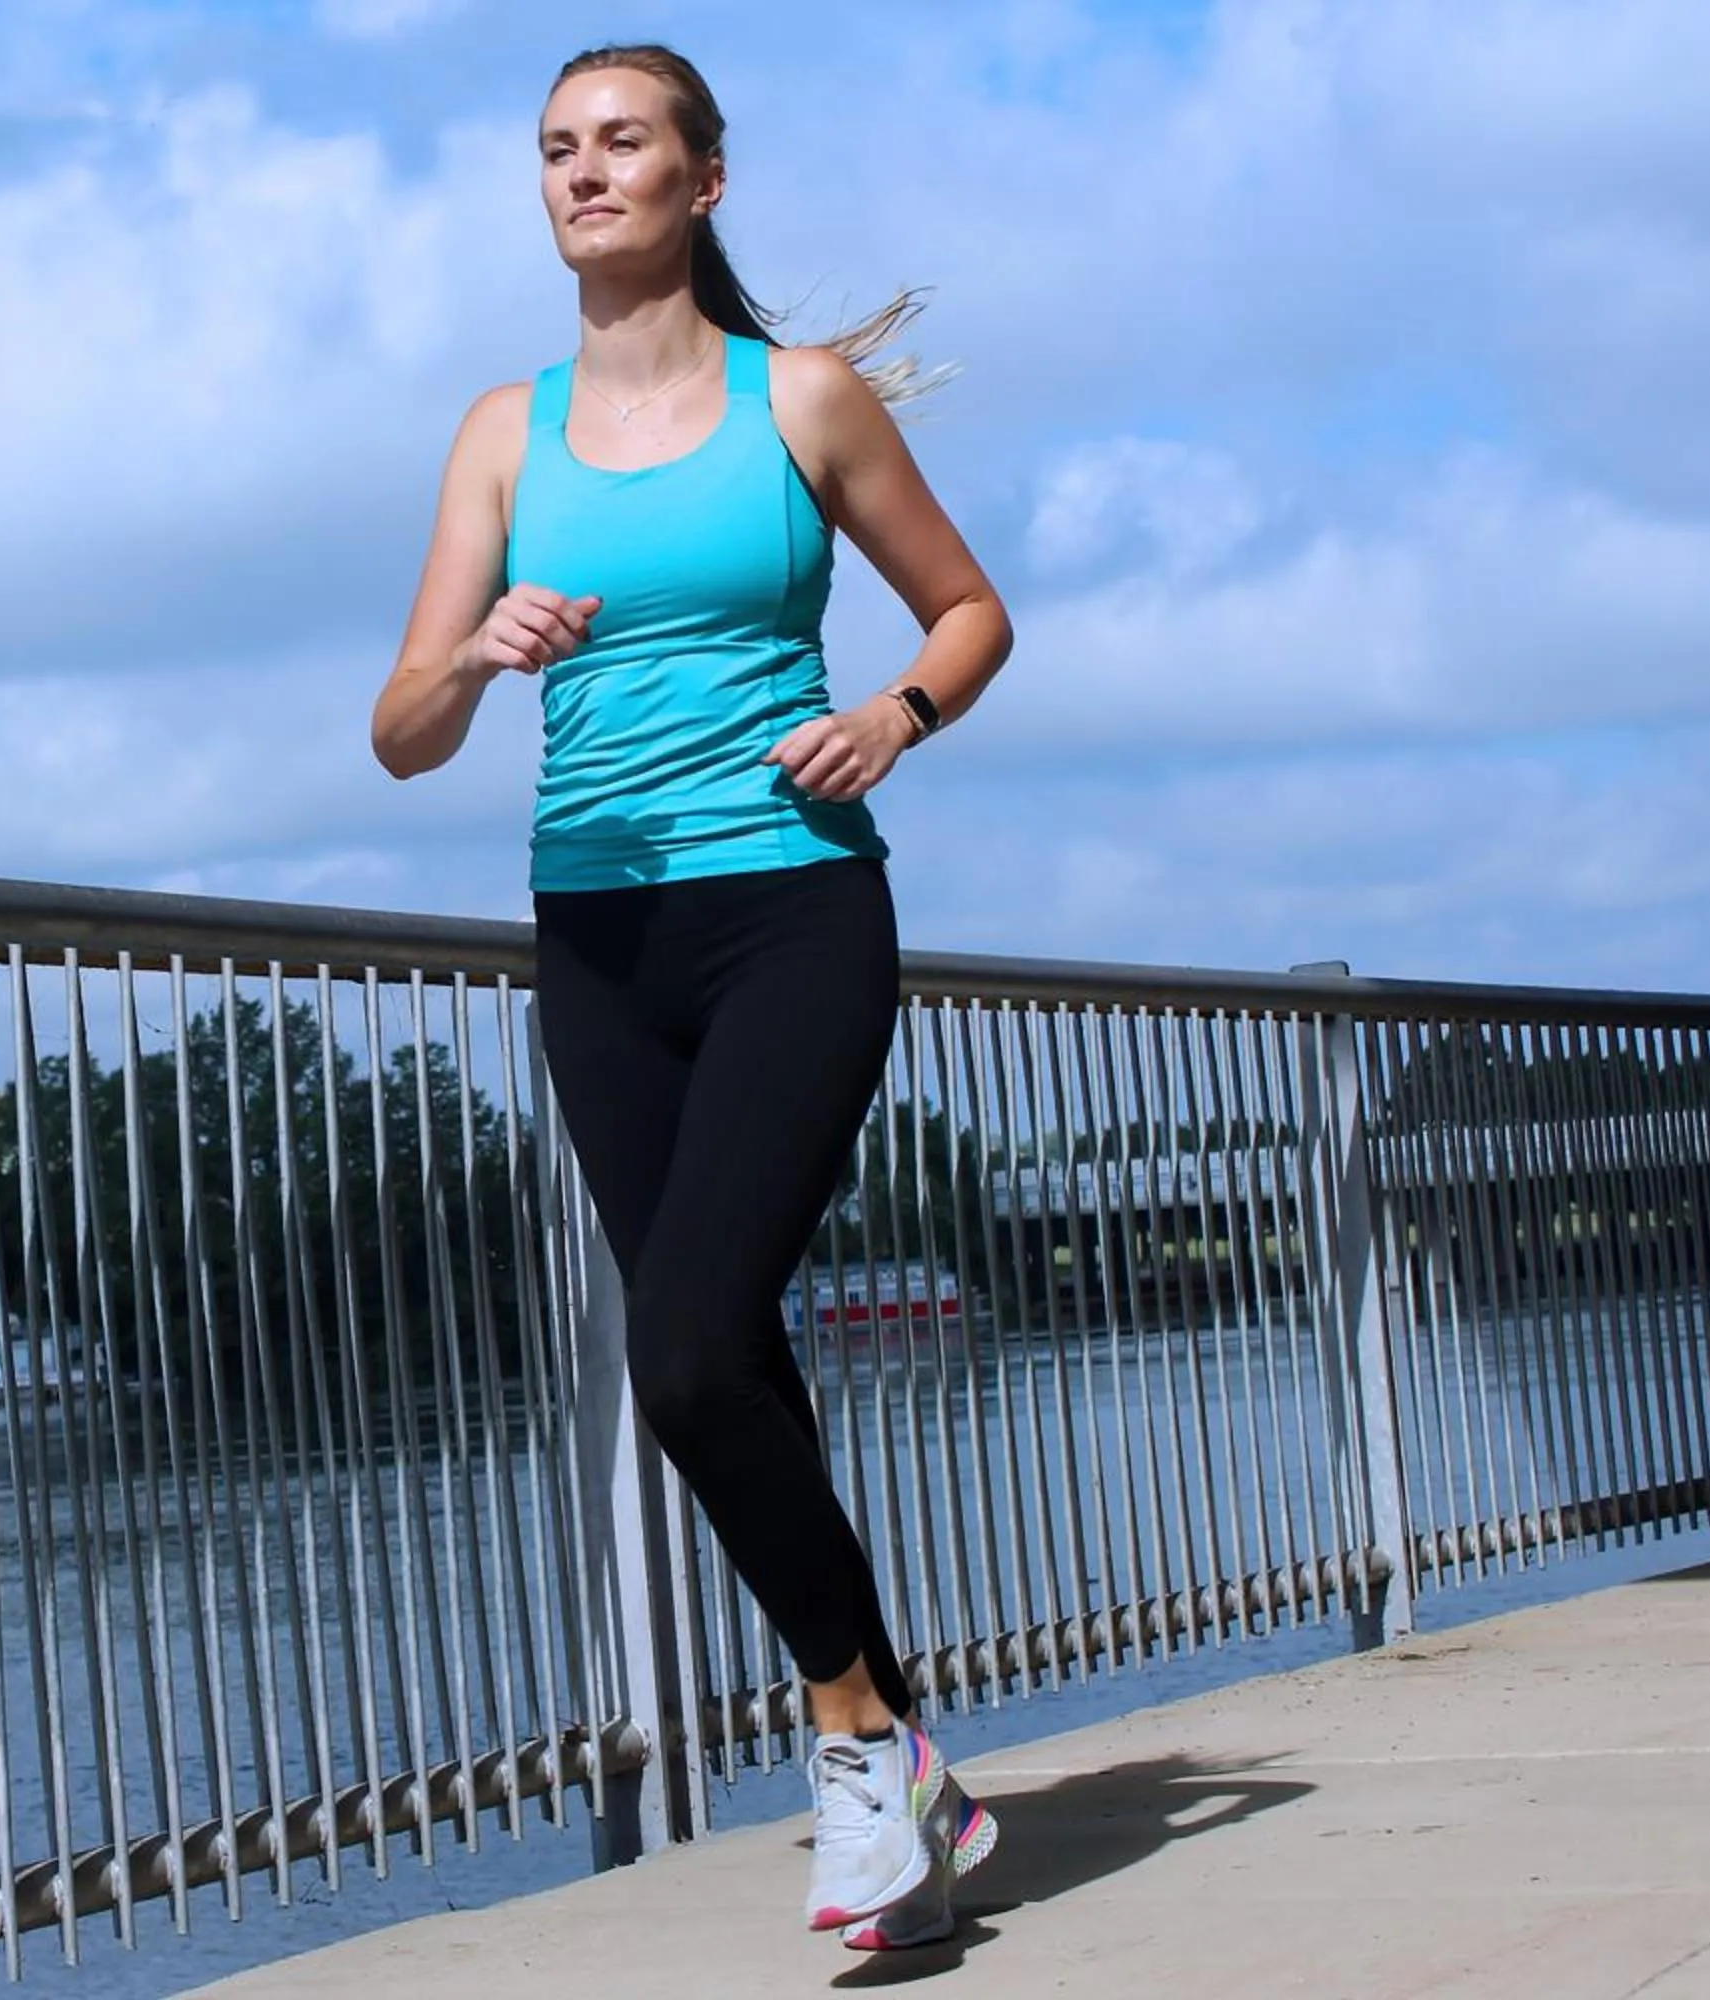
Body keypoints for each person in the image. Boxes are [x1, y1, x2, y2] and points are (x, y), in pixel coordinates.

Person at [370, 42, 1013, 1949]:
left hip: (792, 915)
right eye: (556, 149)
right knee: (729, 1362)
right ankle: (908, 1779)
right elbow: (400, 732)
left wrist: (893, 715)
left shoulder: (796, 400)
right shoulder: (504, 434)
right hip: (599, 948)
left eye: (622, 142)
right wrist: (476, 657)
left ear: (703, 179)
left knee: (684, 1350)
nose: (584, 173)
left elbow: (969, 610)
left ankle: (852, 1748)